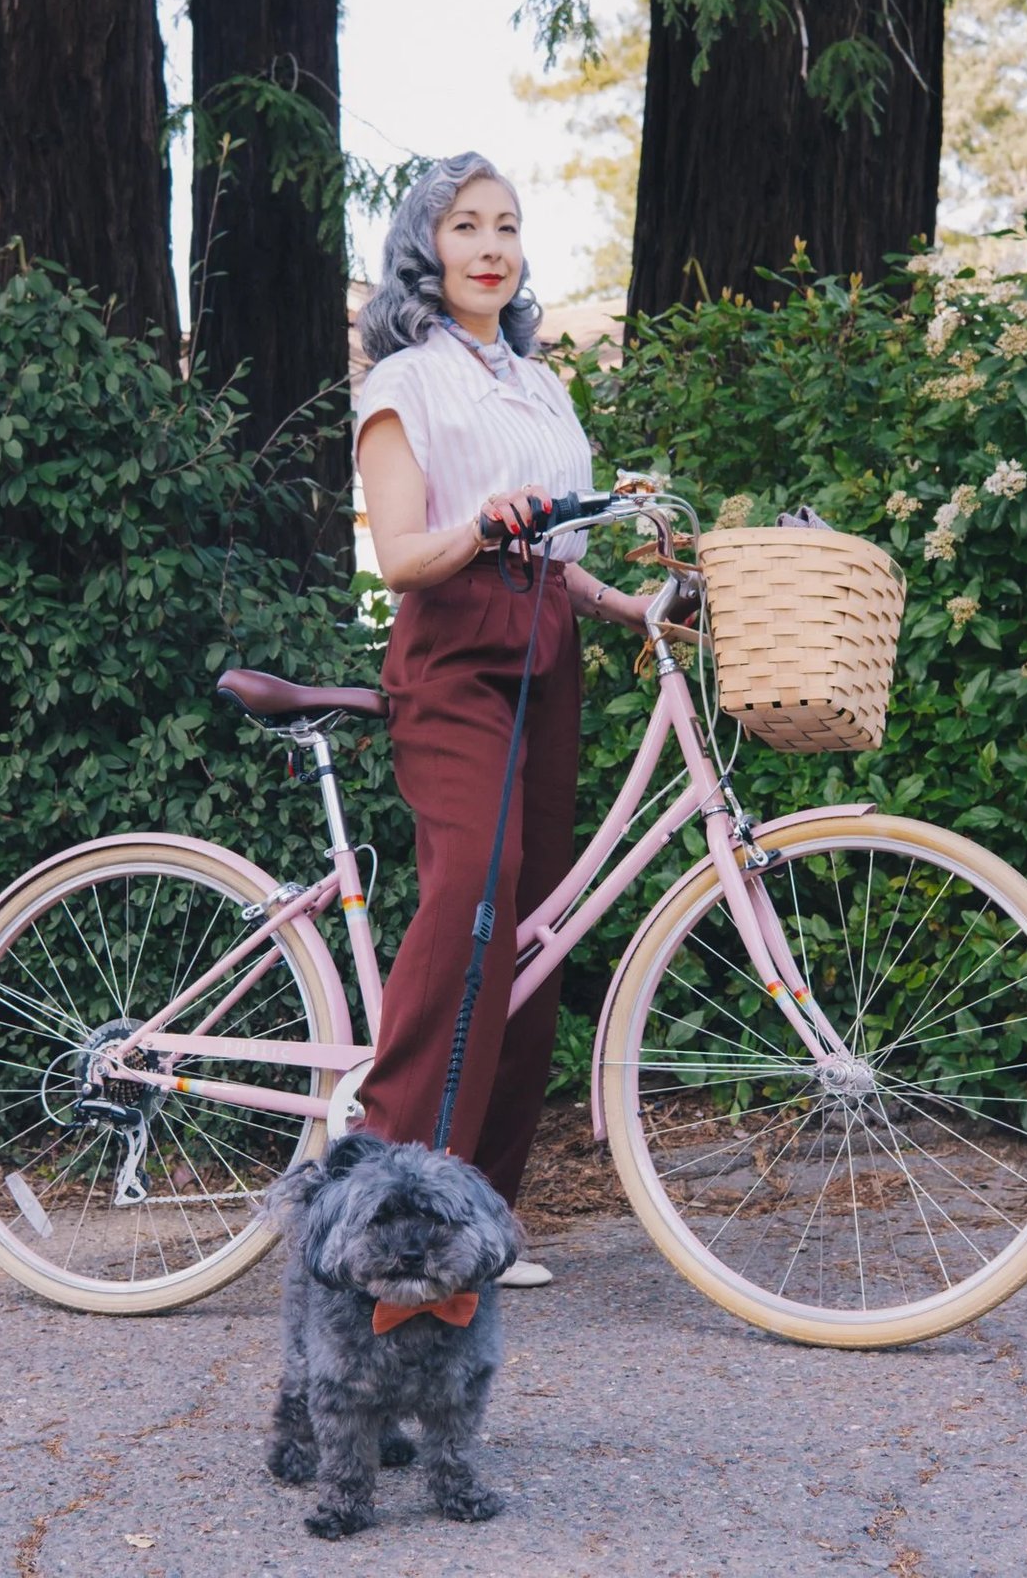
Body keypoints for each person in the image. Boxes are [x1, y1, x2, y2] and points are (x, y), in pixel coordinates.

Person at [350, 152, 646, 1288]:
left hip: (544, 649)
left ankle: (478, 1215)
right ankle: (387, 1203)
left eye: (507, 226)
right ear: (427, 248)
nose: (490, 245)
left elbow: (556, 556)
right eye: (466, 225)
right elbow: (402, 555)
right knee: (476, 886)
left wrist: (636, 606)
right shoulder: (405, 384)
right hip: (456, 648)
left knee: (537, 920)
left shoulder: (539, 385)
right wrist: (484, 525)